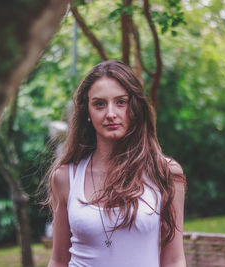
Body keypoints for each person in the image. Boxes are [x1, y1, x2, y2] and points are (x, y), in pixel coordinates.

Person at [46, 60, 187, 267]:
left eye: (121, 102)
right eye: (99, 104)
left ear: (135, 107)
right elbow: (58, 260)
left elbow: (174, 260)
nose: (110, 113)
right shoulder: (66, 177)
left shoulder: (164, 173)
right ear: (88, 113)